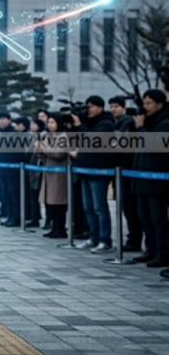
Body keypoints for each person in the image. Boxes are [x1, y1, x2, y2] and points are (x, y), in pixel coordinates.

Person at [71, 95, 117, 253]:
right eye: (87, 106)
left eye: (90, 106)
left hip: (99, 171)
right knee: (88, 208)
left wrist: (79, 124)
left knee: (100, 208)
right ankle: (93, 238)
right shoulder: (88, 123)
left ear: (100, 107)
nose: (88, 110)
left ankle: (105, 240)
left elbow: (93, 141)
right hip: (85, 171)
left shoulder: (106, 123)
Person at [130, 90, 169, 268]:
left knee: (158, 219)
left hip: (157, 180)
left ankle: (163, 253)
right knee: (144, 217)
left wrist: (141, 128)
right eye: (144, 103)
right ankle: (151, 250)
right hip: (141, 177)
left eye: (149, 103)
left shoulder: (165, 122)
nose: (145, 107)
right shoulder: (147, 122)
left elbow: (155, 146)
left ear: (160, 104)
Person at [110, 96, 142, 252]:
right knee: (126, 207)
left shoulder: (129, 123)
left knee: (132, 207)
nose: (113, 109)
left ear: (123, 107)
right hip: (120, 169)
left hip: (130, 169)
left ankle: (135, 239)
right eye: (111, 106)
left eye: (116, 106)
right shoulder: (116, 123)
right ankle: (132, 238)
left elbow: (127, 146)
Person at [38, 113, 70, 239]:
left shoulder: (63, 136)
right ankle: (54, 228)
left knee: (59, 204)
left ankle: (60, 228)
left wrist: (44, 148)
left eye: (53, 122)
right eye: (49, 122)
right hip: (48, 173)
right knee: (50, 203)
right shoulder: (47, 136)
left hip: (59, 174)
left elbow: (59, 154)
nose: (50, 125)